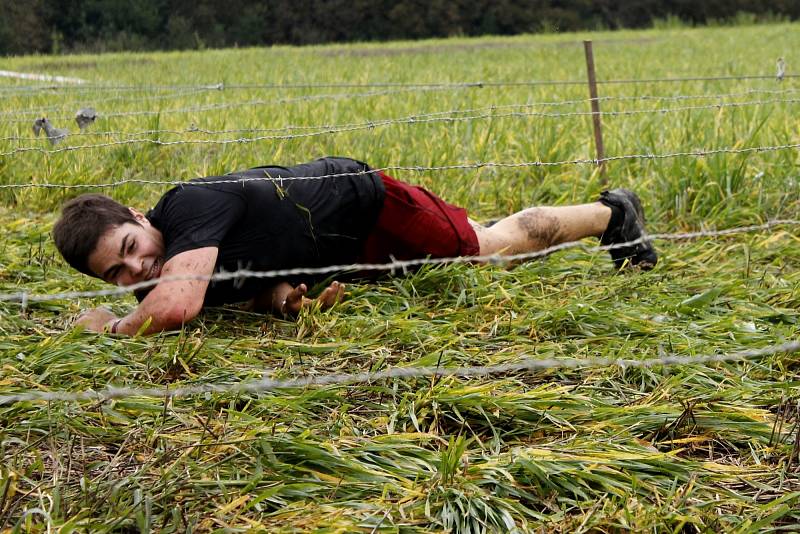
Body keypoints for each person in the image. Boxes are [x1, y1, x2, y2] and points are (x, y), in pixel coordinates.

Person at [53, 156, 657, 336]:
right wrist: (283, 302)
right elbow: (238, 291)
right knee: (483, 244)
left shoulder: (187, 206)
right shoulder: (180, 265)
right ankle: (607, 215)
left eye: (131, 245)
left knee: (486, 245)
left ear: (139, 215)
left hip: (368, 207)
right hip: (339, 246)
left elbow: (179, 308)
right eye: (118, 274)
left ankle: (610, 214)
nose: (139, 267)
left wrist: (109, 326)